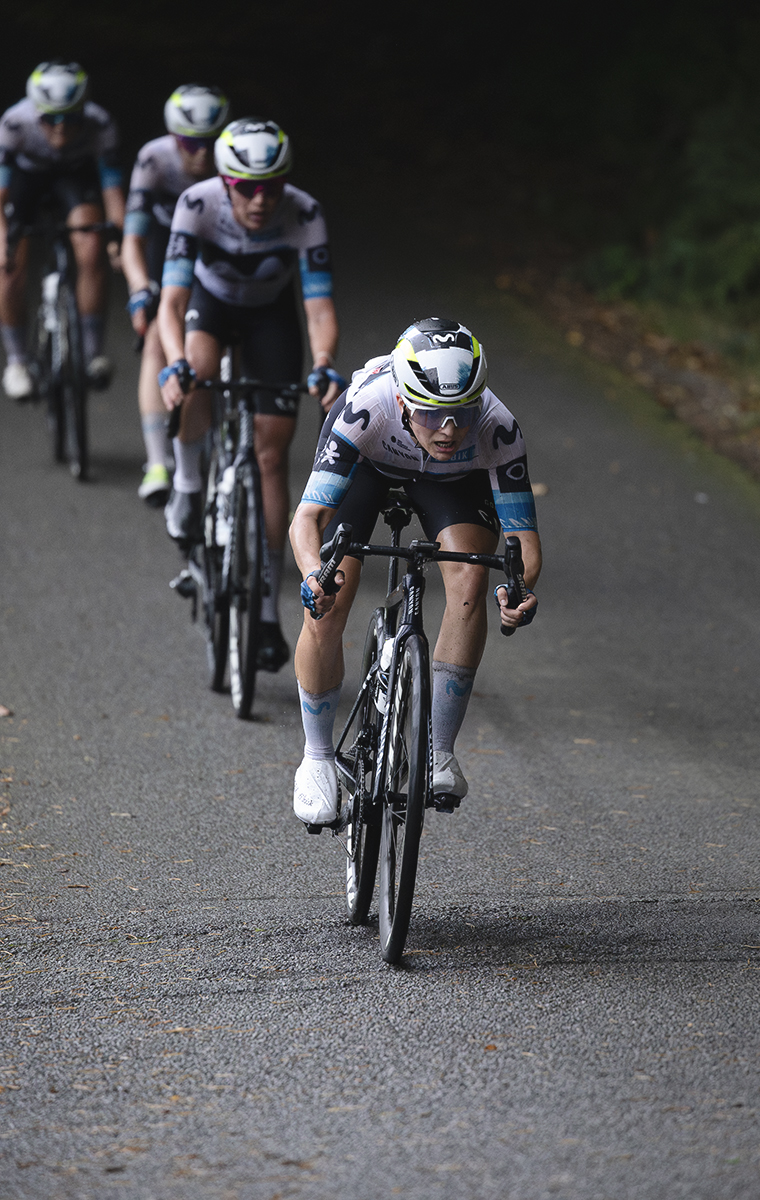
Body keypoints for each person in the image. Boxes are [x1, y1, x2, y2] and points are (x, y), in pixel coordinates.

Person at [289, 316, 542, 826]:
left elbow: (523, 544)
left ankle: (439, 752)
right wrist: (315, 572)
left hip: (451, 481)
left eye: (461, 413)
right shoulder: (367, 408)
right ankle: (316, 758)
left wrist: (518, 589)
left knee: (470, 579)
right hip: (368, 463)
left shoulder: (497, 427)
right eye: (431, 414)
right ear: (404, 401)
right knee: (331, 594)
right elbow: (307, 521)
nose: (449, 430)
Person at [157, 116, 342, 673]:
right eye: (246, 187)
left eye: (272, 186)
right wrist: (174, 365)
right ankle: (189, 484)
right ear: (225, 181)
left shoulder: (304, 212)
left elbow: (318, 307)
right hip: (209, 308)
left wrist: (325, 363)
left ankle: (264, 609)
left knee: (270, 455)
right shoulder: (196, 203)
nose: (261, 200)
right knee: (197, 379)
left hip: (270, 318)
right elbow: (171, 302)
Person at [121, 84, 229, 507]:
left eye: (210, 143)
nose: (201, 154)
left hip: (218, 251)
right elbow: (133, 237)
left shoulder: (234, 161)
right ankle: (157, 463)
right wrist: (138, 288)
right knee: (155, 338)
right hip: (167, 246)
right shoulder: (155, 158)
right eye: (190, 143)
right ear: (173, 137)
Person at [0, 61, 125, 400]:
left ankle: (93, 352)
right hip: (27, 180)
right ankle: (17, 361)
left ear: (83, 111)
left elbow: (112, 190)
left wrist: (119, 239)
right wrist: (3, 241)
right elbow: (1, 194)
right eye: (49, 118)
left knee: (92, 246)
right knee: (8, 267)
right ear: (35, 112)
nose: (59, 128)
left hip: (74, 177)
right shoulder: (14, 123)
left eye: (70, 118)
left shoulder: (100, 123)